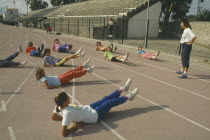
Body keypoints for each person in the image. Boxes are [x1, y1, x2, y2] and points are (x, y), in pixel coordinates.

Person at [51, 78, 139, 137]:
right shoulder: (67, 113)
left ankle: (123, 88)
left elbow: (53, 117)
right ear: (64, 102)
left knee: (105, 99)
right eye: (68, 99)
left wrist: (71, 118)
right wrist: (73, 126)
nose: (69, 99)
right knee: (109, 102)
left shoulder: (58, 106)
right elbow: (63, 133)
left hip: (89, 107)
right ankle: (129, 97)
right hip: (94, 116)